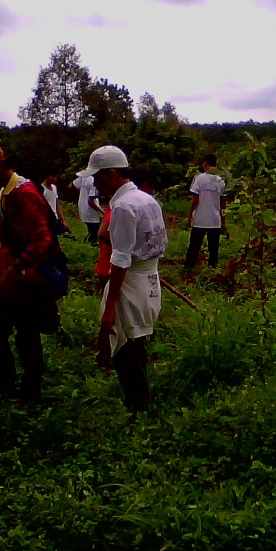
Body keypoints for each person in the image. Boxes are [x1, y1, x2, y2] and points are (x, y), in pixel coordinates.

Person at [0, 143, 67, 402]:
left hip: (28, 278)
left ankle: (26, 389)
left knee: (21, 333)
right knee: (8, 331)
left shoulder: (24, 193)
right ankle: (12, 385)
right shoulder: (7, 192)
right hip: (15, 277)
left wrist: (19, 265)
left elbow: (43, 238)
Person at [80, 146, 167, 414]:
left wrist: (108, 310)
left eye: (98, 177)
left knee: (124, 349)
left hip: (130, 283)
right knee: (136, 343)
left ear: (113, 173)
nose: (95, 183)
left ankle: (136, 409)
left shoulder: (123, 205)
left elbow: (120, 260)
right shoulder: (147, 200)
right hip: (149, 281)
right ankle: (141, 405)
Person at [95, 166, 159, 290]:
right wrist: (124, 242)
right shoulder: (123, 205)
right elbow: (103, 233)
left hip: (133, 270)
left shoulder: (134, 203)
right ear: (145, 185)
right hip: (114, 264)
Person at [184, 154, 226, 269]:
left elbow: (195, 200)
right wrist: (223, 221)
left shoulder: (199, 178)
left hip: (200, 219)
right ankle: (212, 268)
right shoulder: (221, 180)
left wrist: (190, 216)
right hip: (215, 220)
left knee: (194, 246)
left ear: (205, 164)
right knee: (214, 248)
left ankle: (188, 268)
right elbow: (223, 203)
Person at [70, 172, 104, 243]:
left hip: (82, 206)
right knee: (95, 231)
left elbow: (71, 186)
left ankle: (87, 243)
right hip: (90, 210)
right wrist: (103, 212)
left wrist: (83, 194)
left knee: (92, 230)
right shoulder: (95, 181)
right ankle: (87, 243)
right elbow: (91, 201)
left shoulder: (85, 177)